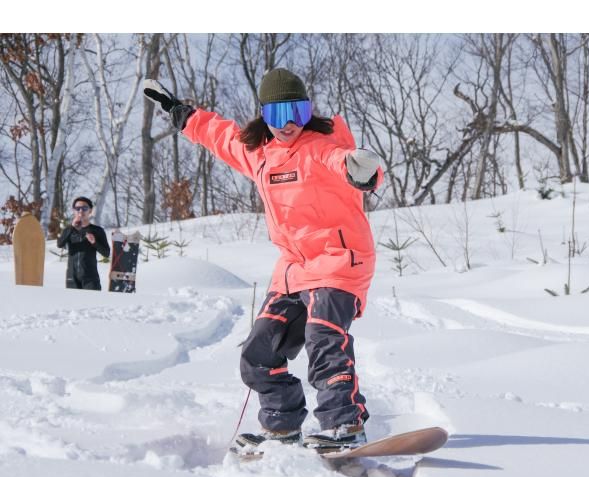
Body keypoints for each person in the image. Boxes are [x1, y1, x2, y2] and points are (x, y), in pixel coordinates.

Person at [144, 68, 383, 453]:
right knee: (258, 354)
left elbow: (347, 163)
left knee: (323, 337)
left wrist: (364, 174)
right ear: (264, 116)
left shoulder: (320, 147)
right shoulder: (259, 154)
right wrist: (183, 114)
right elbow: (220, 137)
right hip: (293, 269)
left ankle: (344, 424)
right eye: (277, 115)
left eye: (297, 112)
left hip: (339, 260)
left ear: (308, 113)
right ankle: (282, 426)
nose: (288, 124)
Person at [56, 197, 110, 291]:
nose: (81, 211)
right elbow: (60, 244)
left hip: (90, 278)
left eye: (84, 208)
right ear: (74, 211)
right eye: (78, 208)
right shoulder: (69, 230)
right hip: (71, 278)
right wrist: (71, 227)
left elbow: (106, 253)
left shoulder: (97, 230)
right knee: (72, 305)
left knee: (93, 305)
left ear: (90, 211)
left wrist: (94, 242)